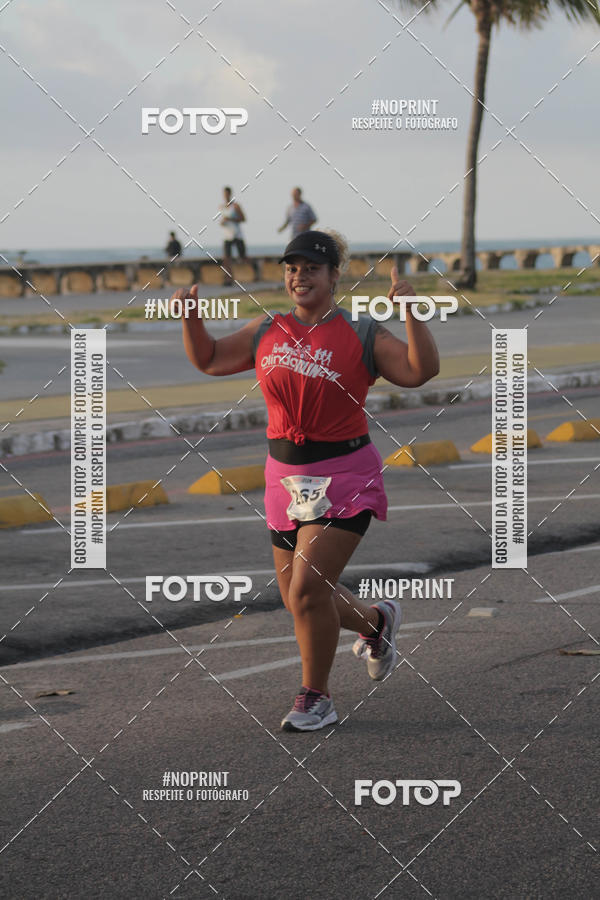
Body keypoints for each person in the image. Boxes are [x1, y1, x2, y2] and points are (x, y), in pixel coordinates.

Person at [171, 230, 439, 732]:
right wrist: (190, 319)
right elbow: (209, 358)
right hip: (283, 479)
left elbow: (419, 370)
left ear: (334, 275)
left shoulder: (361, 332)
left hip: (345, 475)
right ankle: (377, 624)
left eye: (312, 268)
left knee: (308, 589)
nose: (300, 277)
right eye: (292, 268)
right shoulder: (267, 330)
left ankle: (317, 698)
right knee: (301, 594)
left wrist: (412, 313)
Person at [219, 186, 247, 285]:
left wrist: (230, 219)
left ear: (230, 194)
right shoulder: (221, 207)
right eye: (224, 194)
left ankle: (254, 274)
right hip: (227, 236)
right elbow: (222, 221)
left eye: (227, 194)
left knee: (242, 257)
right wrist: (223, 222)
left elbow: (243, 219)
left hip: (237, 235)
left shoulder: (235, 206)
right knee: (226, 259)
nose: (225, 196)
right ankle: (228, 279)